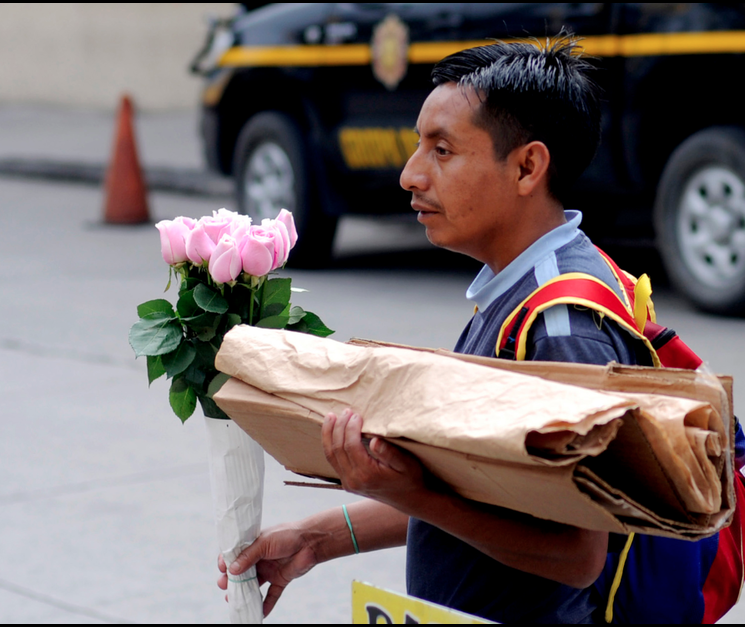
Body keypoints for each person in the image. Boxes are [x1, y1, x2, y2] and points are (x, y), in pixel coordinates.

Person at [217, 36, 706, 623]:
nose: (409, 175)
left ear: (528, 166)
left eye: (442, 150)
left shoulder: (558, 324)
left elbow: (578, 555)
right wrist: (318, 538)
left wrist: (408, 492)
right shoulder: (526, 284)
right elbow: (490, 489)